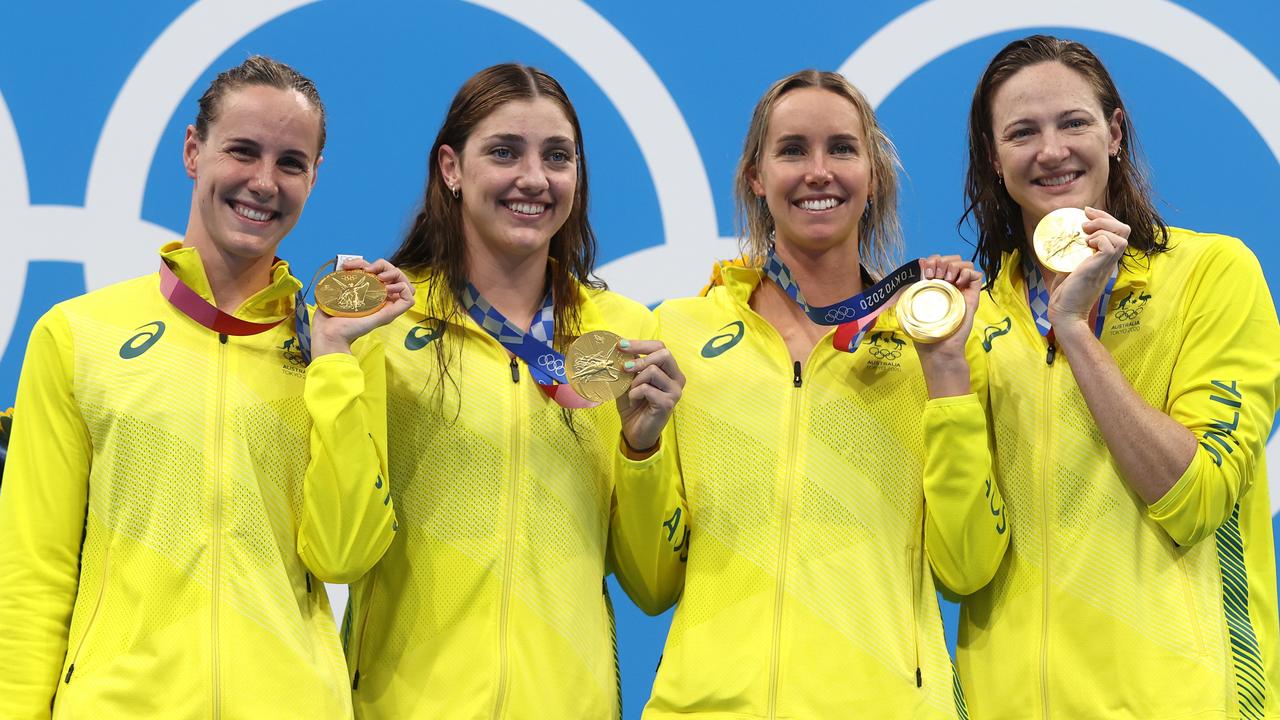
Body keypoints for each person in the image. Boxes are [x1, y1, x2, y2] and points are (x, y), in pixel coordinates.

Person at [0, 56, 413, 717]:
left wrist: (334, 360)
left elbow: (344, 556)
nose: (263, 182)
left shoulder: (339, 348)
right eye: (243, 152)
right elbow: (32, 574)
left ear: (314, 177)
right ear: (194, 151)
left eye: (290, 163)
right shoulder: (76, 336)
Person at [625, 69, 1009, 718]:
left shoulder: (938, 336)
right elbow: (651, 581)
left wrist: (944, 373)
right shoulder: (680, 333)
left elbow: (967, 566)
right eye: (793, 149)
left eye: (842, 148)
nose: (818, 170)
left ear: (874, 175)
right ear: (756, 174)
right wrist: (641, 449)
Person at [341, 63, 684, 719]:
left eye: (557, 156)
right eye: (504, 152)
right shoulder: (383, 327)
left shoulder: (624, 336)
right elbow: (340, 546)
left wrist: (642, 448)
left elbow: (651, 582)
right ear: (452, 168)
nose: (534, 178)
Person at [957, 34, 1280, 719]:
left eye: (1073, 122)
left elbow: (1195, 498)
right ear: (994, 157)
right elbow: (961, 561)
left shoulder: (1213, 274)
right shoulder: (974, 321)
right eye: (1022, 132)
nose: (1051, 150)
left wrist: (1075, 330)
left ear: (1114, 132)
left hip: (1180, 703)